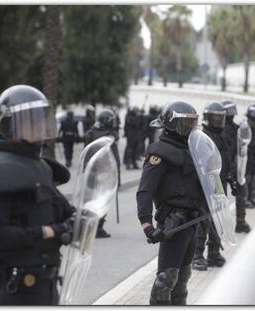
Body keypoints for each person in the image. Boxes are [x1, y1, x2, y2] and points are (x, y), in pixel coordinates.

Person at [0, 85, 76, 305]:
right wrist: (47, 232)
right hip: (16, 290)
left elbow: (64, 210)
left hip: (47, 286)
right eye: (30, 120)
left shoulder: (41, 166)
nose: (39, 126)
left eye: (40, 118)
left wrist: (79, 219)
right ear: (10, 125)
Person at [136, 100, 204, 305]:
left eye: (192, 123)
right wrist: (147, 225)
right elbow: (145, 191)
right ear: (172, 124)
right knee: (166, 279)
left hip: (192, 222)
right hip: (173, 223)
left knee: (182, 279)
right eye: (185, 123)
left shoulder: (193, 149)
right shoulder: (160, 153)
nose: (189, 128)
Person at [192, 101, 227, 271]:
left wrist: (233, 178)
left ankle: (213, 253)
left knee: (218, 221)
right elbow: (200, 163)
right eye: (215, 117)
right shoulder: (202, 137)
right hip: (206, 186)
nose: (219, 120)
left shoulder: (223, 135)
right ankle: (197, 255)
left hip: (221, 184)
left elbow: (228, 159)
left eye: (221, 117)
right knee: (203, 220)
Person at [84, 108, 121, 238]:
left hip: (91, 171)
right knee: (103, 200)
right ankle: (98, 227)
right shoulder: (110, 137)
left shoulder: (90, 133)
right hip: (105, 173)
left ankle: (90, 226)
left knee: (91, 200)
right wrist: (117, 176)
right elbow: (114, 159)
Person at [221, 100, 252, 234]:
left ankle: (240, 222)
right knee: (220, 202)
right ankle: (219, 230)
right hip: (223, 168)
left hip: (234, 166)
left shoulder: (236, 128)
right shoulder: (220, 130)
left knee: (242, 192)